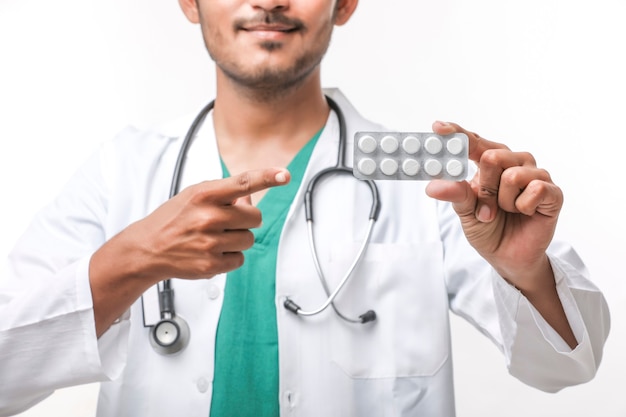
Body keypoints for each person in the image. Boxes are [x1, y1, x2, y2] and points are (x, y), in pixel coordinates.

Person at [0, 0, 610, 416]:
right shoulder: (121, 171)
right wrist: (130, 260)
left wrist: (526, 271)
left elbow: (566, 366)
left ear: (345, 3)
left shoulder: (425, 181)